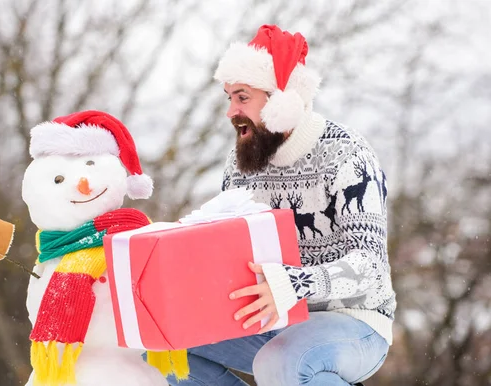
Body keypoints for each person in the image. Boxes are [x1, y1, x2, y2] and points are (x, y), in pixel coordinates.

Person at [167, 25, 395, 386]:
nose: (230, 111)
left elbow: (370, 268)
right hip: (272, 316)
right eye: (228, 98)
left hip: (355, 320)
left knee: (283, 361)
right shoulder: (239, 162)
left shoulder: (347, 154)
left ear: (281, 99)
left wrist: (292, 283)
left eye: (242, 97)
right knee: (165, 349)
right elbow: (229, 250)